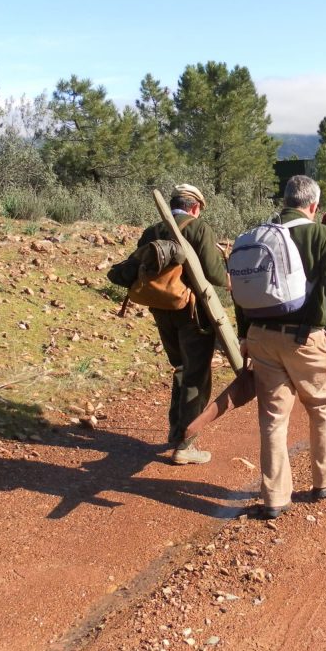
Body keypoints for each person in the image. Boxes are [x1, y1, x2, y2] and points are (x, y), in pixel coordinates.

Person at [238, 175, 326, 520]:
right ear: (313, 205)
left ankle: (275, 497)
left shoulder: (258, 234)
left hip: (260, 336)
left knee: (273, 419)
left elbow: (243, 289)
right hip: (305, 338)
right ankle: (325, 480)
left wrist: (244, 335)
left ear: (286, 200)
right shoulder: (319, 234)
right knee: (321, 408)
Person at [136, 184, 228, 465]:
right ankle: (185, 444)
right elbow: (214, 274)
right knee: (196, 376)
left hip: (161, 310)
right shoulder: (199, 229)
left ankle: (175, 430)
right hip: (192, 313)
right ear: (195, 207)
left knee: (180, 368)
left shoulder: (152, 231)